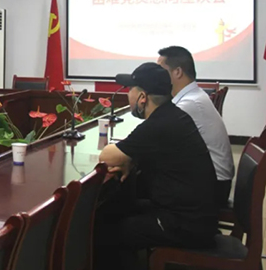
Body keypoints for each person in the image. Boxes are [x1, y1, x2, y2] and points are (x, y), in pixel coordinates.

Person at [95, 62, 217, 270]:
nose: (128, 95)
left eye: (130, 90)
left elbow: (107, 156)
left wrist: (127, 158)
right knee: (119, 211)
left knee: (105, 232)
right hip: (196, 217)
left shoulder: (157, 125)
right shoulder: (173, 115)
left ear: (142, 97)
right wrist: (130, 158)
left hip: (186, 225)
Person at [157, 46, 234, 206]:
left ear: (177, 72)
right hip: (212, 180)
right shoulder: (194, 96)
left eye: (160, 71)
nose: (156, 76)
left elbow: (156, 139)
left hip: (212, 187)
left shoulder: (189, 104)